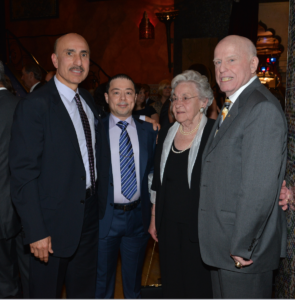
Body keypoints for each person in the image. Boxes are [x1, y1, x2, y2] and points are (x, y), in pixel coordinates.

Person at [9, 33, 109, 298]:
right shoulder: (35, 105)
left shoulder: (87, 100)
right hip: (50, 225)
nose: (78, 61)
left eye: (84, 54)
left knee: (83, 291)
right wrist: (36, 231)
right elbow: (23, 174)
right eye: (70, 53)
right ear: (54, 59)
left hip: (88, 216)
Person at [198, 35, 287, 298]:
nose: (221, 68)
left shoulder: (260, 108)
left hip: (243, 253)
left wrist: (243, 245)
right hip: (224, 246)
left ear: (253, 64)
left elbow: (258, 187)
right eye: (217, 61)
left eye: (231, 60)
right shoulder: (234, 105)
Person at [149, 70, 214, 298]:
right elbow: (159, 180)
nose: (178, 103)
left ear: (204, 102)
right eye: (175, 98)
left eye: (186, 98)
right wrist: (154, 218)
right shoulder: (168, 131)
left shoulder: (215, 133)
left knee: (197, 284)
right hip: (167, 224)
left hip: (199, 226)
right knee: (172, 282)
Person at [95, 74, 157, 299]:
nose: (123, 98)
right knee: (101, 285)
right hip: (104, 219)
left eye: (129, 92)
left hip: (137, 220)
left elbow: (153, 174)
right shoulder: (94, 130)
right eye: (116, 92)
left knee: (133, 286)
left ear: (136, 96)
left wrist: (152, 214)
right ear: (106, 97)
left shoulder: (150, 132)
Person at [0, 61, 30, 298]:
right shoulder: (24, 105)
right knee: (30, 275)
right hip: (27, 208)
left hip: (3, 210)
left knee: (5, 281)